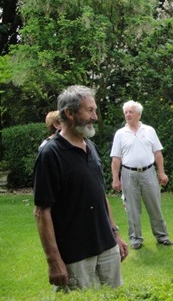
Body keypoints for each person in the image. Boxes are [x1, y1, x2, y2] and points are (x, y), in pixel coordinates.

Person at [33, 85, 128, 291]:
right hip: (75, 254)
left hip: (106, 248)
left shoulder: (90, 147)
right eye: (90, 110)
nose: (95, 117)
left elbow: (99, 194)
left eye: (94, 110)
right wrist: (53, 260)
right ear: (69, 113)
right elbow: (42, 211)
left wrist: (115, 233)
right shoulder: (51, 154)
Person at [110, 100, 173, 250]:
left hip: (149, 172)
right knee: (132, 208)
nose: (127, 114)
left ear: (138, 114)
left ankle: (162, 236)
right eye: (126, 112)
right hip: (128, 173)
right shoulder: (120, 134)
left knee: (155, 205)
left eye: (131, 112)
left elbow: (157, 153)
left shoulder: (149, 130)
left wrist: (161, 172)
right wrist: (115, 178)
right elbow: (116, 158)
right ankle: (135, 239)